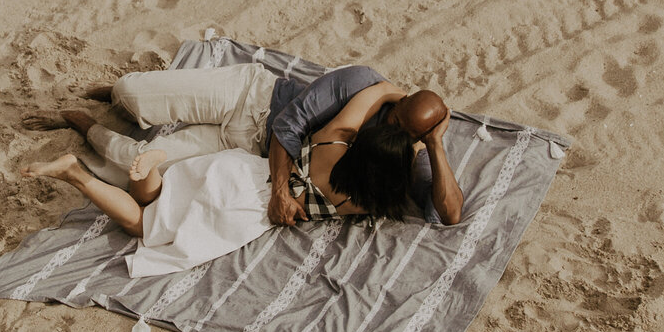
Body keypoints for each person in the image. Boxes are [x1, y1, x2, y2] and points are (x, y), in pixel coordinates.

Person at [46, 59, 464, 229]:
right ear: (399, 99)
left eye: (407, 132)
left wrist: (435, 146)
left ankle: (85, 126)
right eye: (395, 116)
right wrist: (280, 192)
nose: (391, 126)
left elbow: (449, 213)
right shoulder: (360, 85)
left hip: (244, 154)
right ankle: (119, 98)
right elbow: (288, 124)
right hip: (252, 99)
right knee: (132, 94)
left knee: (132, 168)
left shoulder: (401, 153)